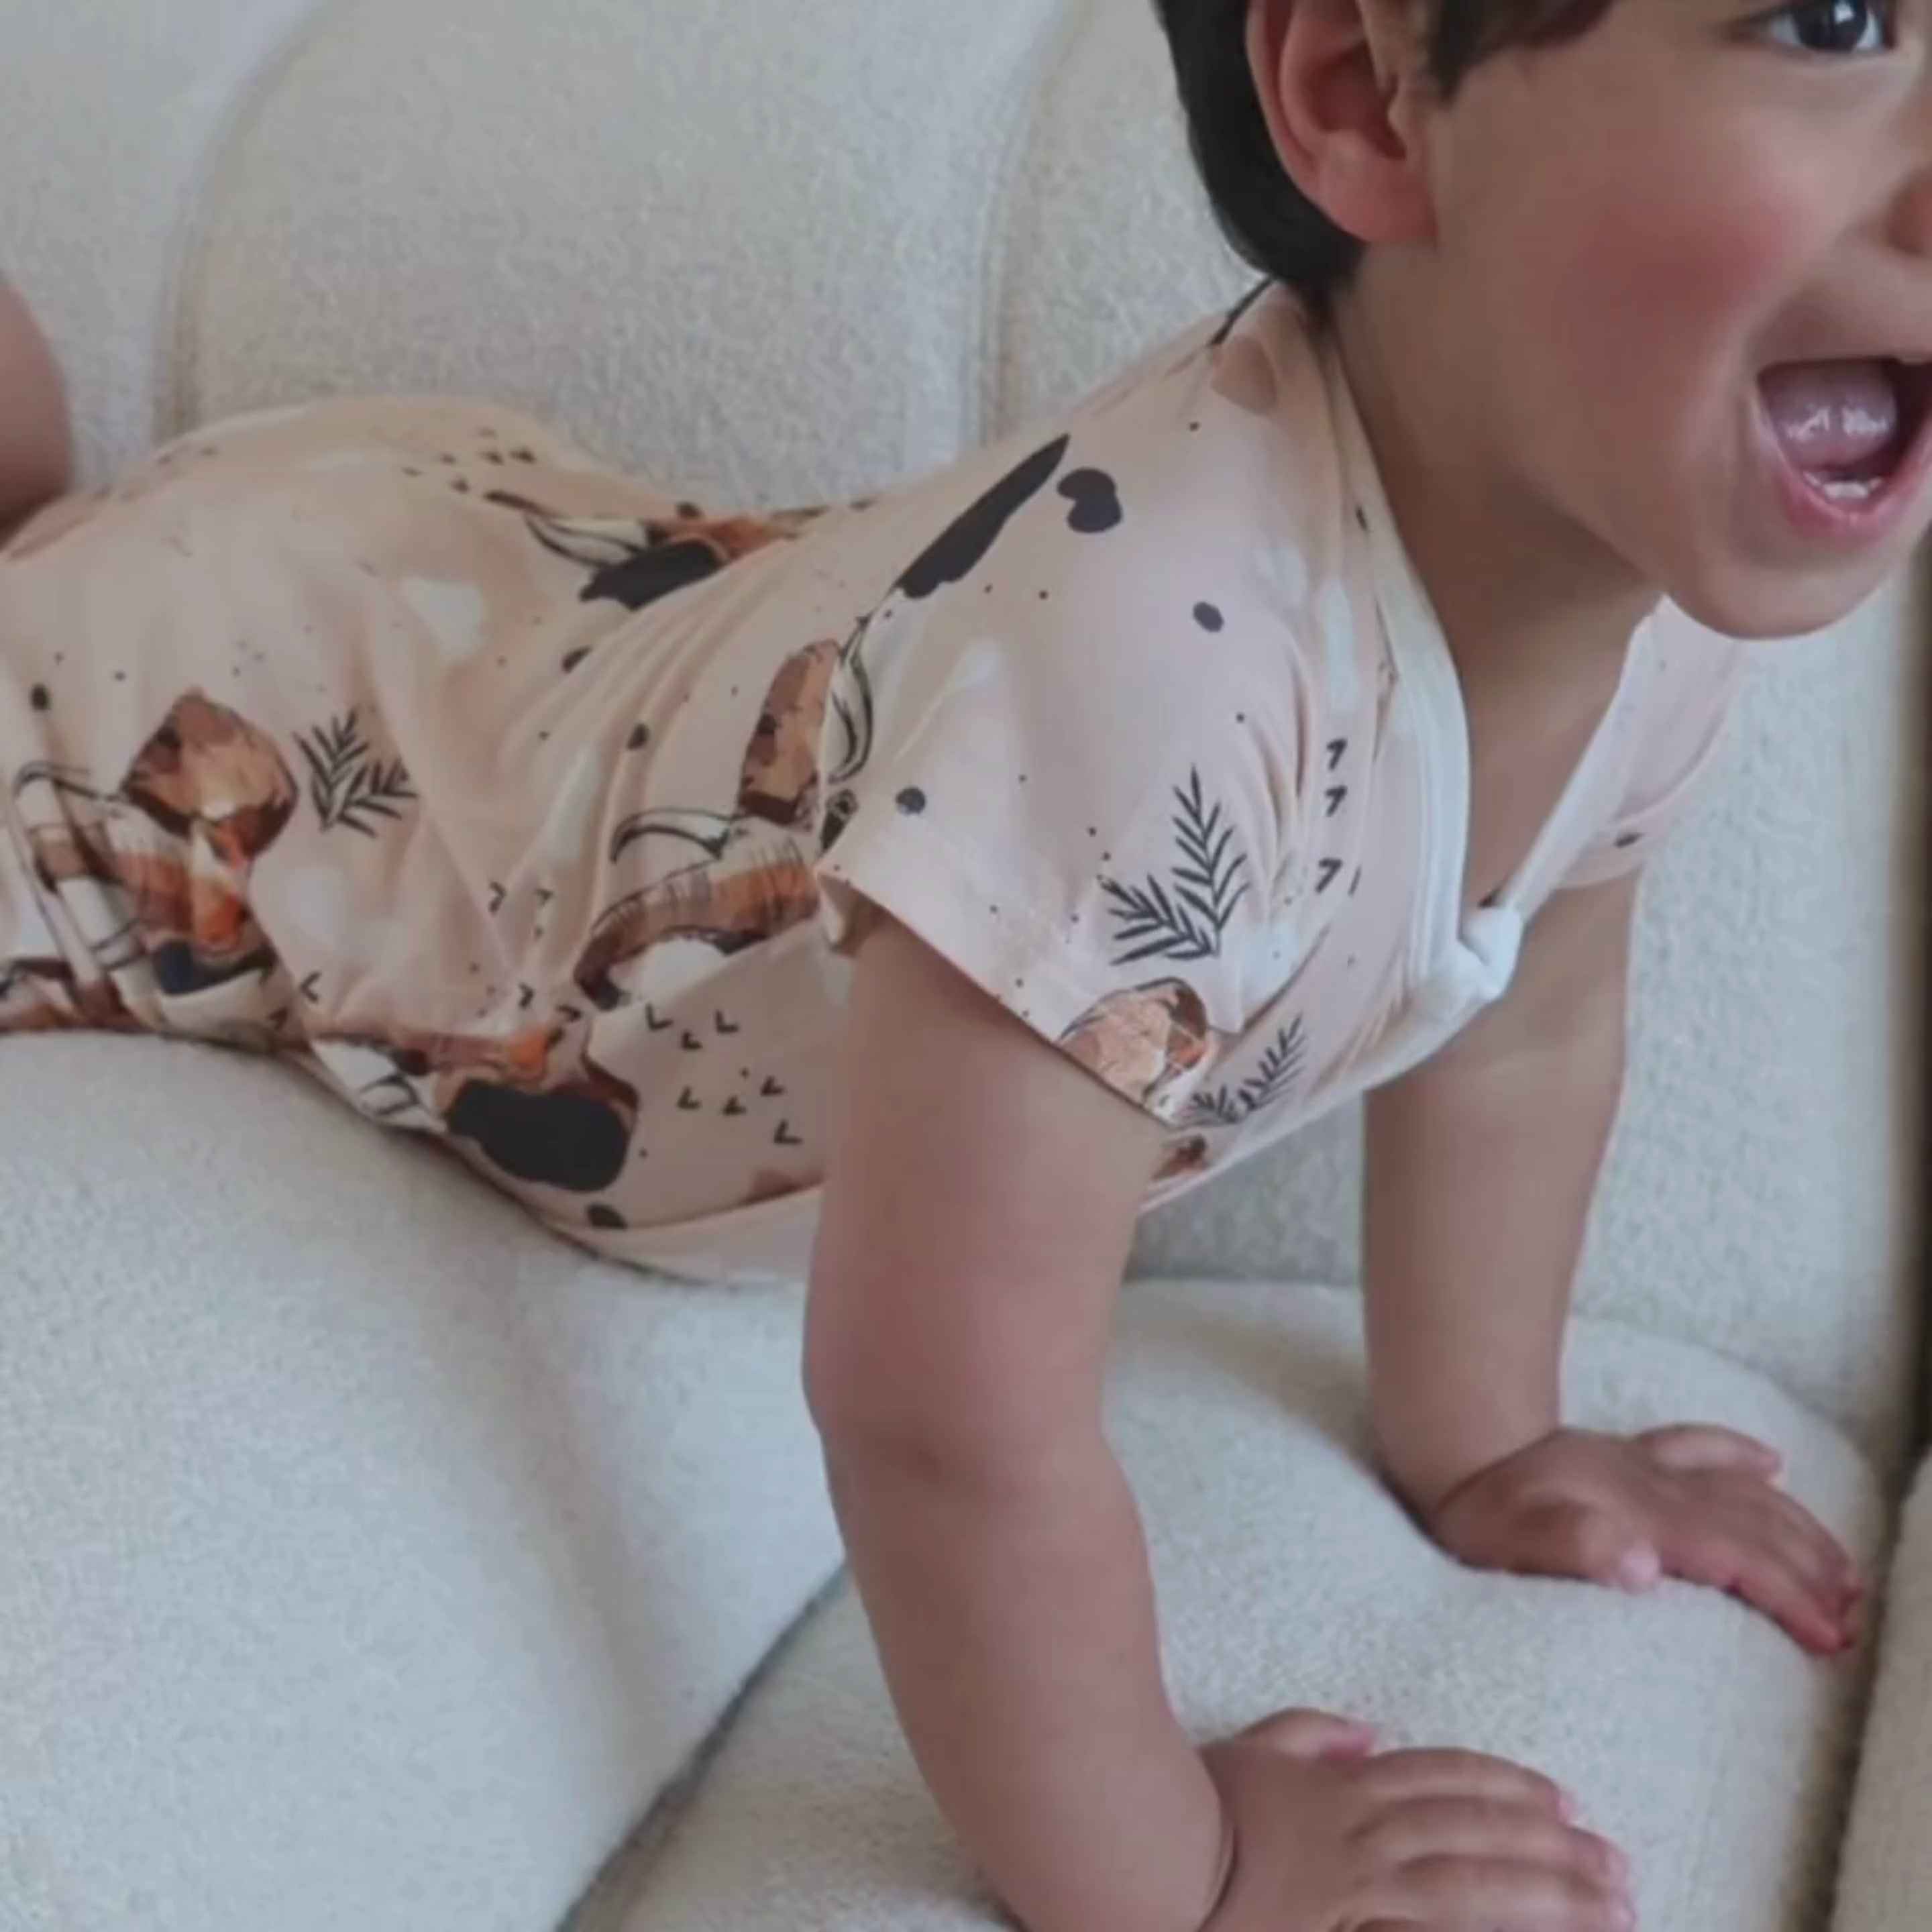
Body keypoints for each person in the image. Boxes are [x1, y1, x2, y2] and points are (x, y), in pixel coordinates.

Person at [2, 0, 1921, 1921]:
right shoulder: (1155, 689)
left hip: (483, 578)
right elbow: (935, 1405)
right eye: (1833, 19)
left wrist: (1493, 1441)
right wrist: (1178, 1867)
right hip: (224, 711)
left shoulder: (1645, 610)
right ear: (1366, 93)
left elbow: (1521, 1027)